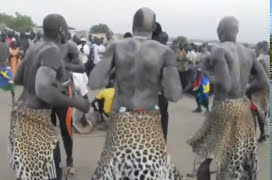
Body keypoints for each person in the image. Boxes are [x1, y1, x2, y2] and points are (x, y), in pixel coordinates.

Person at [89, 7, 182, 179]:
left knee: (115, 167)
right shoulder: (164, 52)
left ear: (133, 24)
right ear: (154, 27)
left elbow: (94, 82)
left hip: (121, 118)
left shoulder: (116, 46)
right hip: (149, 120)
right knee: (152, 169)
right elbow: (174, 95)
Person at [187, 16, 269, 179]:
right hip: (243, 107)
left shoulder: (219, 49)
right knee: (239, 157)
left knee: (205, 157)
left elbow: (225, 85)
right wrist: (245, 91)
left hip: (223, 109)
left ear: (221, 31)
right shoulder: (248, 52)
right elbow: (264, 81)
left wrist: (205, 70)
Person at [11, 14, 90, 180]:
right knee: (50, 171)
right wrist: (77, 102)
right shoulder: (52, 50)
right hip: (39, 116)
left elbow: (18, 78)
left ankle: (69, 161)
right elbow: (44, 91)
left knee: (30, 170)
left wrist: (57, 68)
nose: (68, 33)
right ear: (61, 30)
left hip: (23, 113)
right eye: (66, 28)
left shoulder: (34, 47)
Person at [50, 29, 85, 174]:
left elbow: (81, 67)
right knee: (48, 129)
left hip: (65, 92)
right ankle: (52, 161)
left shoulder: (70, 47)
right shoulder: (44, 46)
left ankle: (69, 160)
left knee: (66, 129)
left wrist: (64, 66)